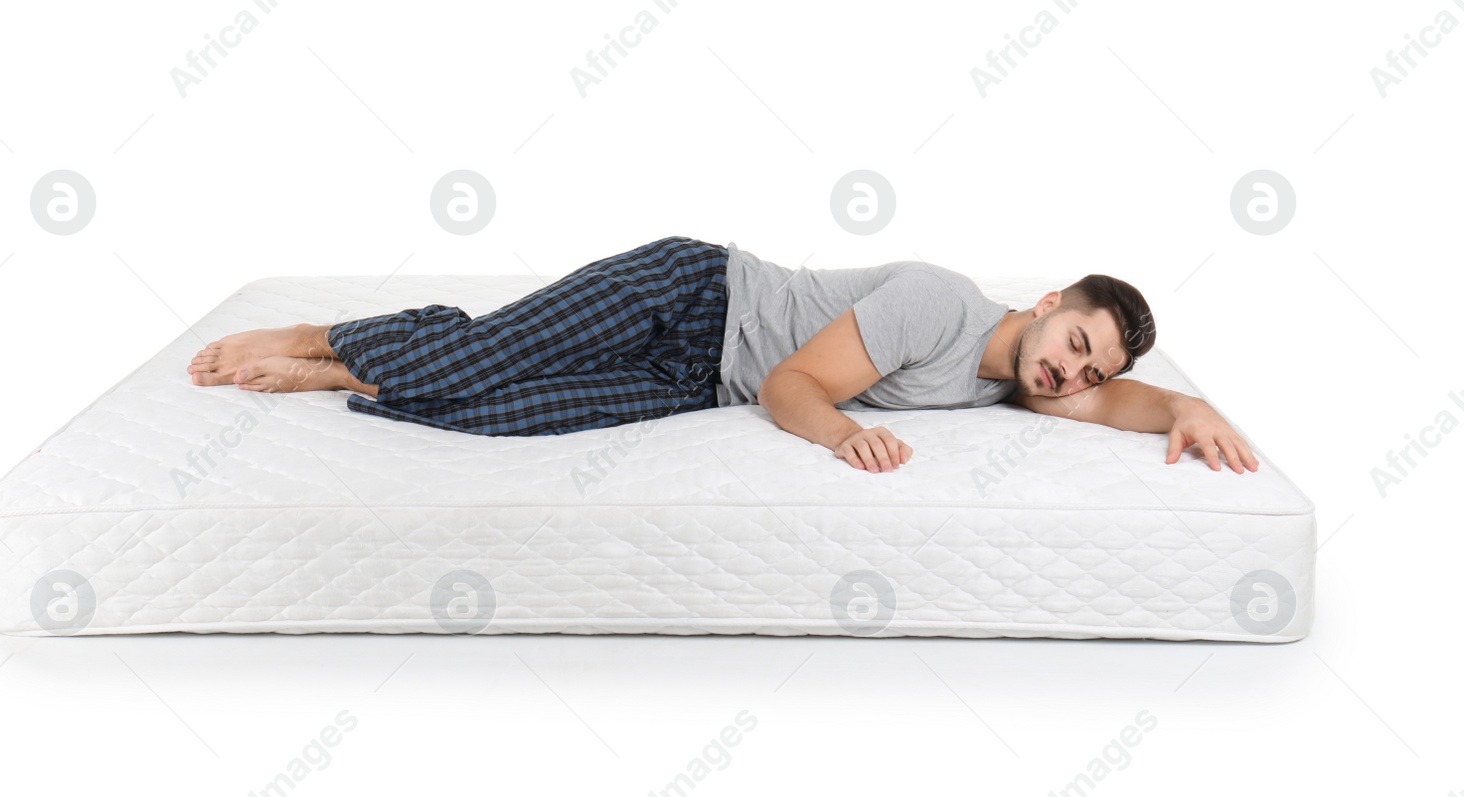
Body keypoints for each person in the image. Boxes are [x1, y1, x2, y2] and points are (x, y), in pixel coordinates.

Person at [187, 235, 1260, 476]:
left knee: (493, 416)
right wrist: (843, 434)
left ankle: (355, 373)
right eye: (1074, 342)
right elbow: (796, 384)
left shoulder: (1019, 386)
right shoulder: (940, 306)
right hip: (691, 297)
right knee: (476, 367)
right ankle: (327, 337)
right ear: (1046, 303)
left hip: (687, 381)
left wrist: (1183, 413)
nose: (1068, 375)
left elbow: (1114, 411)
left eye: (1088, 370)